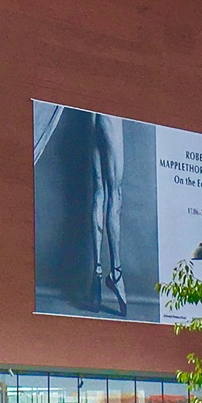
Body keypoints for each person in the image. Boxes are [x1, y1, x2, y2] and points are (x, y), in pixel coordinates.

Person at [89, 113, 127, 316]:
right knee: (115, 192)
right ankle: (117, 273)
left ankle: (96, 273)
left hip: (91, 116)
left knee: (99, 190)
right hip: (111, 117)